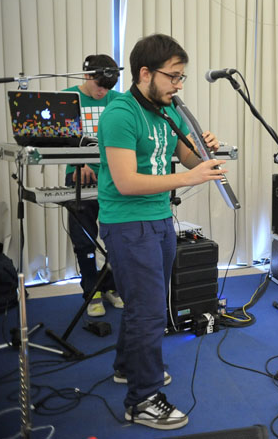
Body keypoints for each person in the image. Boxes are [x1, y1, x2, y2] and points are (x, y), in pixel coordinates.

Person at [97, 33, 227, 430]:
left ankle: (127, 367)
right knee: (149, 310)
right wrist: (189, 177)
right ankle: (142, 399)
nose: (178, 85)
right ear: (145, 73)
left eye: (181, 77)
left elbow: (185, 156)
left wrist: (204, 149)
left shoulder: (166, 111)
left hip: (158, 219)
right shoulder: (120, 114)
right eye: (173, 76)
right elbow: (126, 182)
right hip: (127, 222)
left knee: (145, 303)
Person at [63, 54, 123, 317]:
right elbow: (59, 139)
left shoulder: (119, 101)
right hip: (79, 177)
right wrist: (79, 162)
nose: (103, 92)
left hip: (113, 178)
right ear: (86, 76)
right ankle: (92, 292)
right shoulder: (67, 98)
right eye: (99, 86)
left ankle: (110, 286)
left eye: (108, 88)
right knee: (84, 241)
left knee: (118, 238)